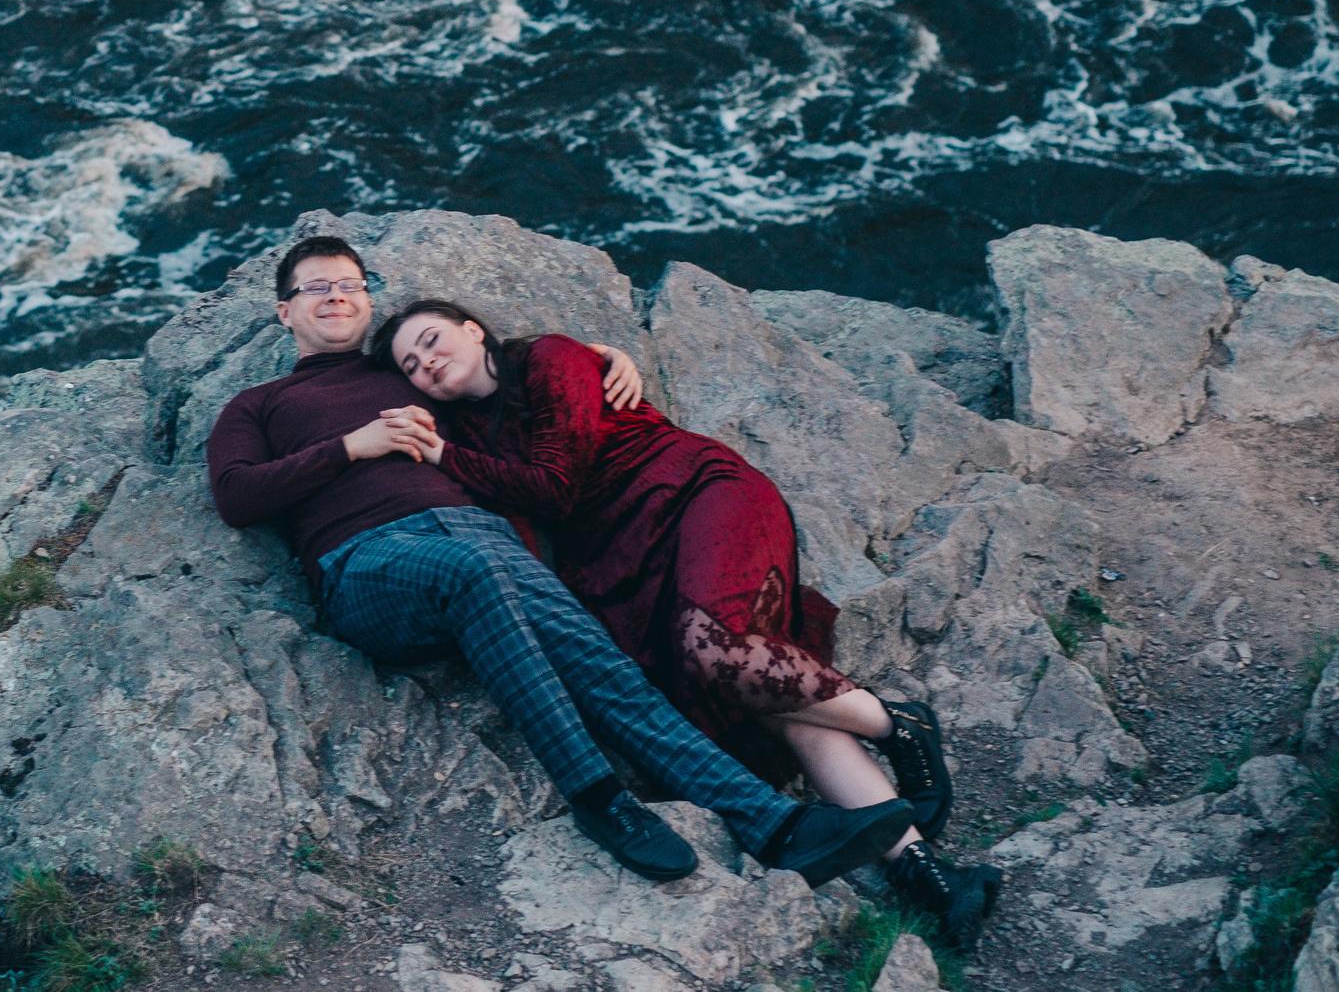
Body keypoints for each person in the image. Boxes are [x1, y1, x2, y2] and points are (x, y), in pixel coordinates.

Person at [204, 235, 919, 890]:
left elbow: (505, 391)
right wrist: (350, 447)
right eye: (316, 286)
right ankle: (597, 795)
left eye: (351, 283)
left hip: (474, 533)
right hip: (364, 560)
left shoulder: (412, 380)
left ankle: (778, 824)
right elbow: (235, 494)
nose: (336, 295)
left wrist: (599, 355)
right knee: (473, 574)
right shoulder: (258, 404)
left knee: (599, 657)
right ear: (283, 311)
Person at [370, 299, 1002, 947]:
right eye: (413, 365)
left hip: (695, 495)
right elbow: (524, 531)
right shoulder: (474, 437)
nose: (429, 363)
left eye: (432, 339)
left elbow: (555, 484)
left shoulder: (548, 357)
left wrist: (445, 453)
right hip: (626, 571)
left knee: (719, 650)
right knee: (767, 700)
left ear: (473, 328)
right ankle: (933, 879)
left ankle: (897, 723)